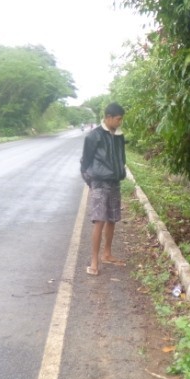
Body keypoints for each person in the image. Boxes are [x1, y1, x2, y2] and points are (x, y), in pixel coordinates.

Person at [79, 102, 127, 276]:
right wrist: (91, 181)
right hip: (99, 182)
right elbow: (85, 162)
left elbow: (122, 158)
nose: (120, 122)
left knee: (112, 219)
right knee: (99, 220)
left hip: (115, 182)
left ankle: (107, 254)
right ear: (108, 117)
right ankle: (94, 260)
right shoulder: (94, 136)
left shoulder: (119, 136)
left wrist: (121, 172)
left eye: (121, 119)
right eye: (118, 119)